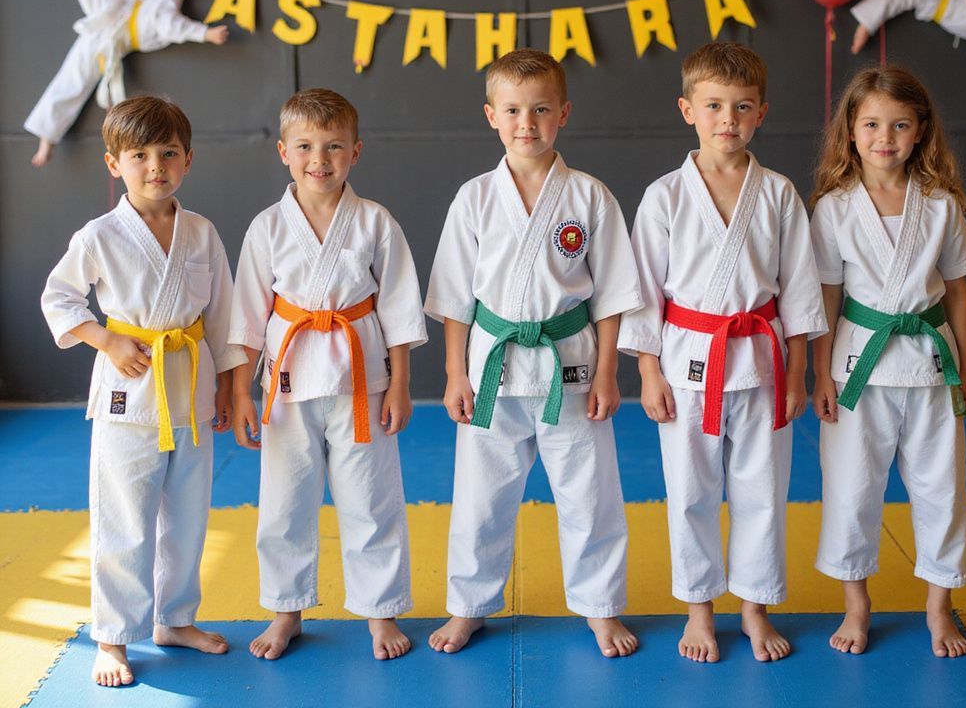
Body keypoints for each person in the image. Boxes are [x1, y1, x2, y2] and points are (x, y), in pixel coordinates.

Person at [424, 49, 643, 658]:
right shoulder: (473, 197)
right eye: (514, 110)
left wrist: (608, 372)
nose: (527, 122)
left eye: (541, 109)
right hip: (492, 367)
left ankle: (600, 608)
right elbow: (453, 298)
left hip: (569, 367)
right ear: (491, 115)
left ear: (563, 114)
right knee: (479, 498)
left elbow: (613, 294)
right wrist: (453, 373)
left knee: (589, 493)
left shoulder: (590, 196)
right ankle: (468, 605)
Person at [619, 42, 826, 665]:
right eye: (713, 106)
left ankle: (756, 608)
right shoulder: (665, 196)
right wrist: (647, 372)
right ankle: (700, 610)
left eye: (741, 107)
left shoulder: (780, 193)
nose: (727, 119)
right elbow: (643, 291)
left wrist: (797, 372)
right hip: (687, 364)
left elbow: (801, 288)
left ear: (762, 112)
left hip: (762, 364)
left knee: (764, 490)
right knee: (690, 492)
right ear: (688, 109)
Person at [40, 95, 242, 687]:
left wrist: (228, 390)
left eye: (168, 153)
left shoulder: (201, 233)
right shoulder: (100, 234)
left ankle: (175, 618)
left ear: (188, 159)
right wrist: (105, 340)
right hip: (128, 393)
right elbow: (59, 299)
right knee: (125, 518)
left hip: (193, 388)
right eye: (139, 155)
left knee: (188, 515)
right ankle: (113, 636)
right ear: (114, 164)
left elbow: (225, 320)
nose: (156, 165)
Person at [229, 88, 426, 662]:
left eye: (334, 146)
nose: (321, 158)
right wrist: (242, 391)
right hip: (288, 383)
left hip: (362, 381)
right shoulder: (267, 227)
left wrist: (402, 384)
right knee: (285, 502)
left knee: (372, 498)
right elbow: (246, 313)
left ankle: (381, 611)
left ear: (356, 152)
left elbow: (399, 307)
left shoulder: (374, 221)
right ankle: (286, 610)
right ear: (283, 152)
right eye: (307, 146)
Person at [809, 65, 966, 658]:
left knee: (943, 488)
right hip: (859, 368)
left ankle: (940, 607)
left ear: (920, 133)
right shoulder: (833, 208)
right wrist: (820, 373)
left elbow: (957, 288)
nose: (886, 137)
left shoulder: (938, 204)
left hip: (933, 366)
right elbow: (827, 296)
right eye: (873, 124)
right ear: (851, 133)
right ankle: (857, 605)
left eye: (900, 125)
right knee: (852, 489)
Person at [23, 0, 230, 167]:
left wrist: (205, 33)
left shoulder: (170, 9)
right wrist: (205, 33)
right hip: (113, 9)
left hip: (112, 41)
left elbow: (175, 28)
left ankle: (46, 140)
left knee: (74, 80)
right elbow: (154, 11)